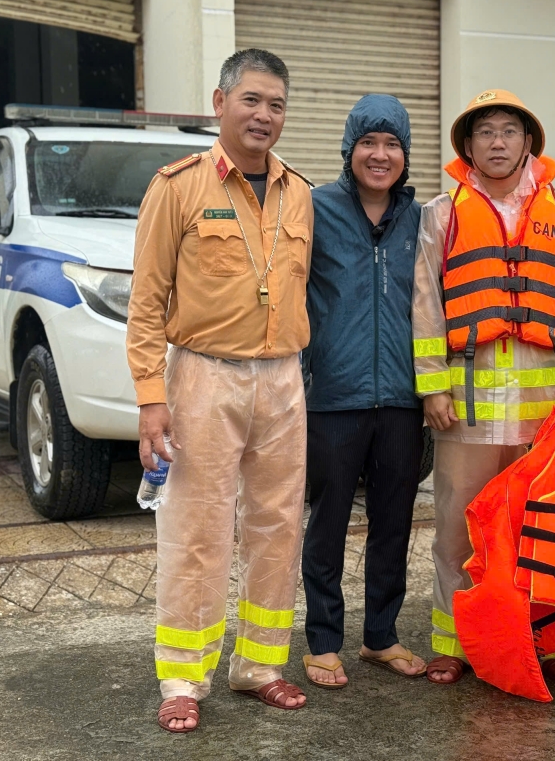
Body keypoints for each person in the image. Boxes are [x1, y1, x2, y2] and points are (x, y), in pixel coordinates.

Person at [127, 48, 314, 732]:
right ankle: (184, 674)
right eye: (252, 100)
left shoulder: (298, 191)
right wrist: (152, 398)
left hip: (284, 377)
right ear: (220, 102)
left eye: (277, 104)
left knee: (277, 524)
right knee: (197, 526)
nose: (264, 115)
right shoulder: (176, 186)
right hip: (204, 373)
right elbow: (145, 304)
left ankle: (260, 662)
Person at [412, 89, 555, 686]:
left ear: (529, 143)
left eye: (509, 132)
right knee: (458, 525)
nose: (498, 142)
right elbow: (427, 305)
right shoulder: (442, 213)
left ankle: (543, 643)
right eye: (486, 133)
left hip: (544, 409)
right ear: (468, 146)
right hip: (465, 407)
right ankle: (454, 640)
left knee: (543, 527)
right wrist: (432, 388)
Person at [300, 94, 426, 688]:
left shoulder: (422, 220)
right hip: (334, 394)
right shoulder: (313, 209)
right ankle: (323, 640)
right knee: (326, 521)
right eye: (369, 144)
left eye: (392, 144)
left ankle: (382, 635)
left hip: (403, 396)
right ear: (350, 150)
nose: (381, 155)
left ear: (405, 154)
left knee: (394, 521)